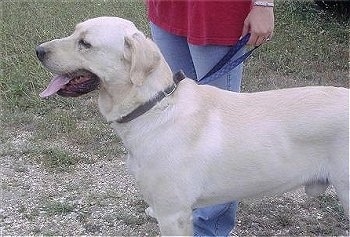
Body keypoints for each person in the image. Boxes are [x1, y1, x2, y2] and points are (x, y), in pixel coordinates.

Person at [145, 0, 275, 235]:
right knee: (175, 119)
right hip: (168, 8)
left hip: (218, 12)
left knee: (221, 135)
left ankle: (209, 228)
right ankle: (179, 202)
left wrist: (263, 4)